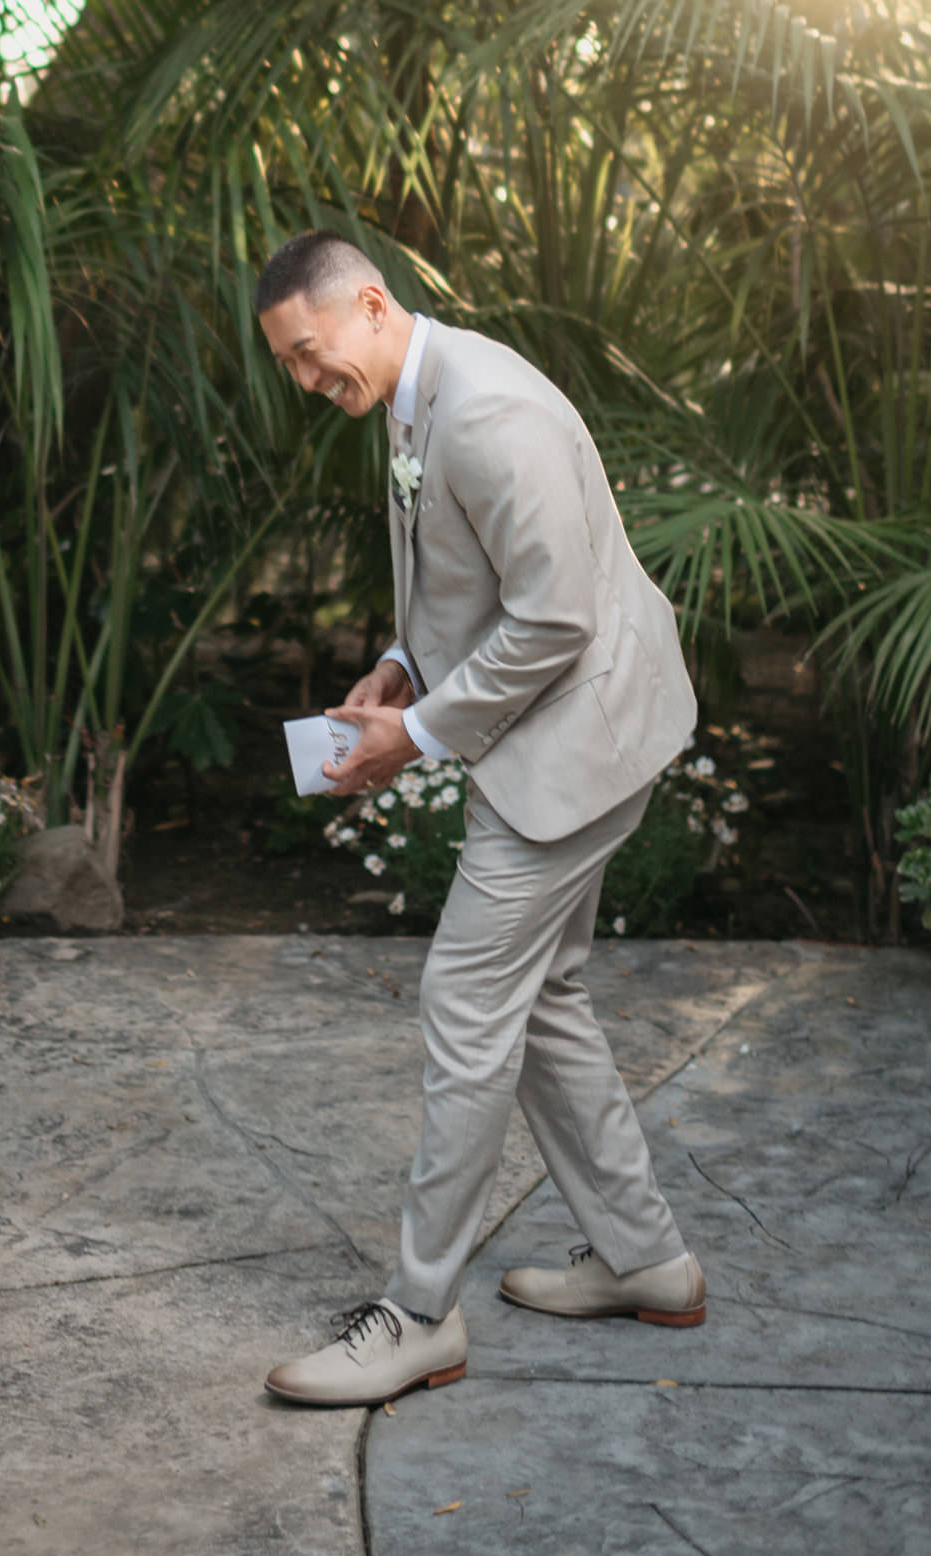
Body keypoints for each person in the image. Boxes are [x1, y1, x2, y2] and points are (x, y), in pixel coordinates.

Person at [254, 230, 706, 1407]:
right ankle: (648, 1257)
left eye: (310, 354)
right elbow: (474, 578)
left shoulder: (486, 410)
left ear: (367, 302)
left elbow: (554, 620)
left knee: (467, 996)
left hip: (581, 738)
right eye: (290, 366)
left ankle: (417, 1312)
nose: (308, 382)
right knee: (537, 991)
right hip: (554, 723)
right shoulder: (414, 391)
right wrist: (406, 664)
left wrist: (422, 730)